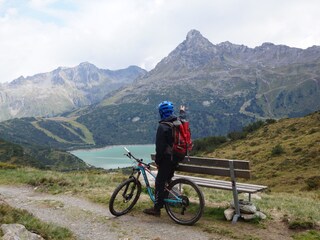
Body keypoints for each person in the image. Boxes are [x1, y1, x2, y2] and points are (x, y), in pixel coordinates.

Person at [143, 101, 186, 216]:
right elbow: (182, 118)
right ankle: (169, 202)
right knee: (167, 179)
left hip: (167, 159)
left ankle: (156, 209)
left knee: (159, 182)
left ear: (161, 112)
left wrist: (157, 162)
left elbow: (160, 148)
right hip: (177, 157)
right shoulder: (178, 122)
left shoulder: (163, 126)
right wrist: (182, 111)